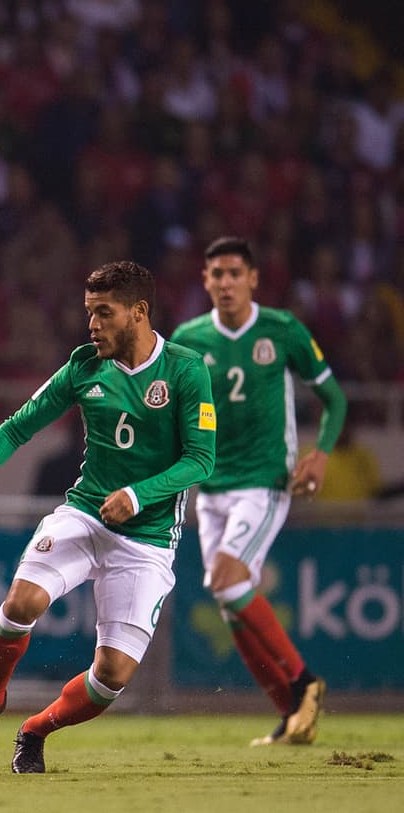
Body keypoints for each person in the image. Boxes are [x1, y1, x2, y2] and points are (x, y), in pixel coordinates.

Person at [0, 260, 216, 773]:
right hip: (85, 515)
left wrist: (137, 495)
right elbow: (17, 427)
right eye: (89, 312)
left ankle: (34, 730)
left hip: (148, 538)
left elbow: (201, 459)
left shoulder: (185, 370)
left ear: (139, 312)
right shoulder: (85, 366)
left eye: (104, 313)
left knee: (112, 676)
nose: (92, 325)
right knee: (21, 603)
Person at [171, 236, 345, 745]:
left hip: (265, 482)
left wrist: (320, 454)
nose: (226, 283)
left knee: (229, 581)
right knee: (230, 604)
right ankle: (292, 715)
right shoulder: (188, 338)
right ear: (205, 281)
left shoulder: (282, 330)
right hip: (211, 487)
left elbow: (334, 398)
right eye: (217, 274)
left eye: (234, 273)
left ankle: (306, 682)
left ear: (252, 279)